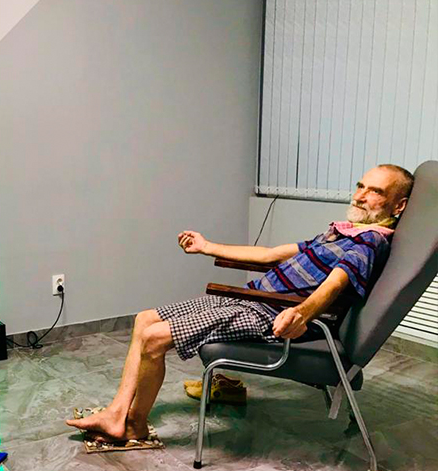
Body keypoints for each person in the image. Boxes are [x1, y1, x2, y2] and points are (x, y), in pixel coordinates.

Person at [66, 164, 413, 442]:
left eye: (376, 191)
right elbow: (270, 254)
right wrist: (207, 246)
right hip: (251, 299)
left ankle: (135, 425)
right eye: (360, 186)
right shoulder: (340, 232)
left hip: (270, 314)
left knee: (155, 338)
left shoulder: (368, 242)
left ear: (398, 206)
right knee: (145, 319)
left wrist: (300, 313)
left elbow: (335, 285)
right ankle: (117, 414)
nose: (361, 196)